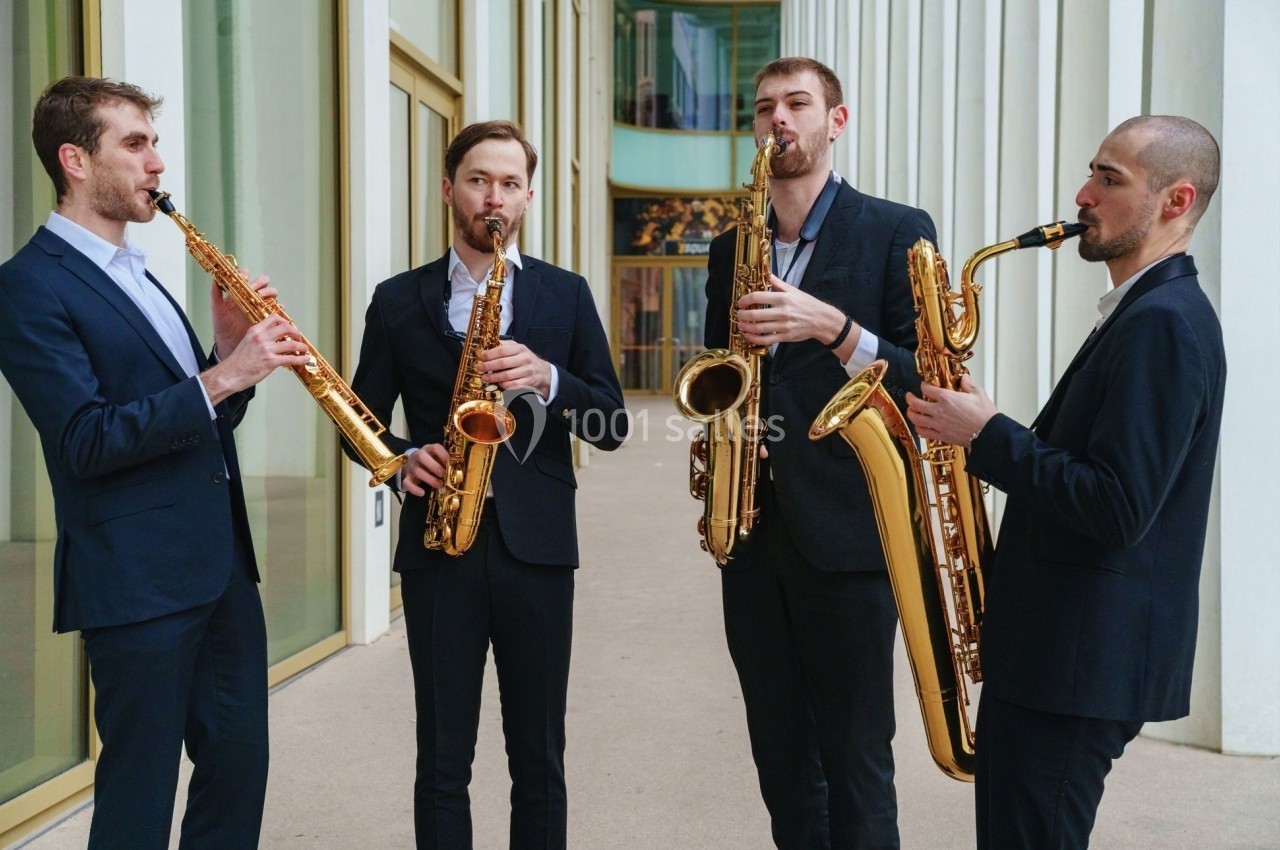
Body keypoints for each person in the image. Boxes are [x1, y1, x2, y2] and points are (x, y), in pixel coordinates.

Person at [0, 77, 311, 848]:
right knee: (138, 797)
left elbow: (195, 422)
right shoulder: (26, 286)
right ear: (75, 160)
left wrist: (229, 353)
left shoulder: (140, 270)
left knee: (238, 771)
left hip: (220, 569)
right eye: (134, 145)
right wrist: (222, 377)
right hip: (135, 582)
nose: (157, 164)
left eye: (155, 143)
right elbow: (83, 440)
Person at [905, 115, 1225, 849]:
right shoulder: (1147, 313)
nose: (1083, 193)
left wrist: (987, 434)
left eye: (1110, 180)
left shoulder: (1164, 325)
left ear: (1176, 201)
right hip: (1066, 655)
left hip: (1077, 663)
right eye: (1092, 172)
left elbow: (1118, 507)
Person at [346, 120, 627, 850]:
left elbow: (612, 424)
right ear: (449, 190)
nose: (492, 197)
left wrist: (551, 377)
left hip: (538, 553)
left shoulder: (564, 297)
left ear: (528, 198)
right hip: (441, 550)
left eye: (508, 184)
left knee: (539, 755)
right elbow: (358, 423)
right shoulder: (397, 300)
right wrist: (402, 459)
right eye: (478, 180)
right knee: (442, 757)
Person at [702, 57, 936, 850]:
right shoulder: (729, 246)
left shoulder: (899, 231)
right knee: (780, 759)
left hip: (850, 535)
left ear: (835, 120)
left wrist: (834, 330)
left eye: (798, 104)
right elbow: (718, 377)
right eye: (765, 106)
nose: (779, 119)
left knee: (857, 758)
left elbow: (929, 382)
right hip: (751, 534)